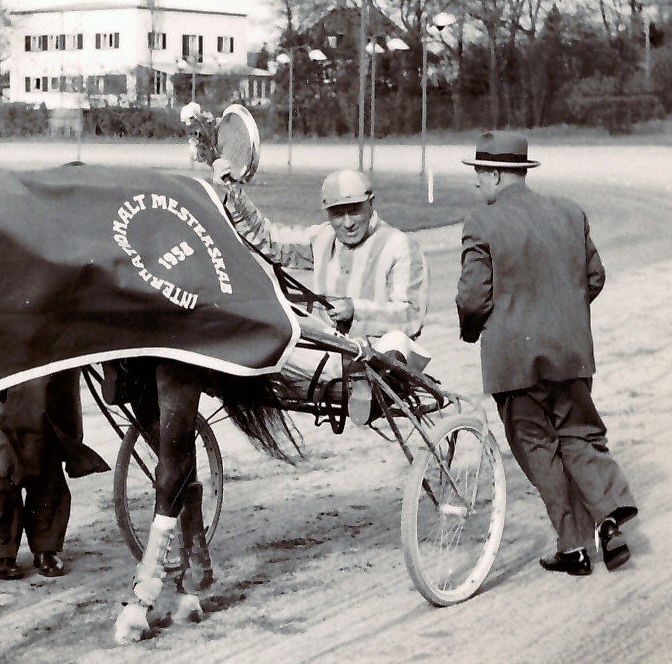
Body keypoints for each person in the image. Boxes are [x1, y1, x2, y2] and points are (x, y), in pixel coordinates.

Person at [456, 131, 639, 577]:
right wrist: (561, 317)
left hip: (514, 362)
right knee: (579, 435)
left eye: (480, 174)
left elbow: (473, 299)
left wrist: (472, 332)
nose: (478, 183)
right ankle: (609, 517)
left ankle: (573, 547)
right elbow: (593, 277)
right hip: (571, 353)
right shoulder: (569, 213)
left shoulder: (482, 222)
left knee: (537, 447)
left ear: (496, 174)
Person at [221, 168, 430, 422]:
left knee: (396, 341)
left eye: (354, 210)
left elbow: (410, 316)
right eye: (337, 214)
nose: (348, 223)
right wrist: (234, 193)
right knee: (280, 327)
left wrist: (356, 310)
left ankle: (363, 383)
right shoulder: (323, 237)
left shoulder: (400, 246)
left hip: (377, 354)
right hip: (328, 355)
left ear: (371, 204)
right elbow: (269, 241)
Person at [0, 370, 108, 580]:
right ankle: (0, 552)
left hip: (45, 378)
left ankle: (45, 548)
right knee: (1, 466)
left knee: (47, 461)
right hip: (3, 380)